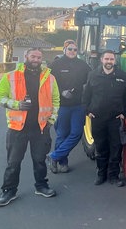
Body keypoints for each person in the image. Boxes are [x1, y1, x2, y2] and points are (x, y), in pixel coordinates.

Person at [0, 48, 60, 207]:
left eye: (39, 57)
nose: (36, 59)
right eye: (33, 56)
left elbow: (56, 100)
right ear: (26, 57)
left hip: (41, 127)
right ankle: (9, 191)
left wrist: (51, 119)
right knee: (13, 162)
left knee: (40, 160)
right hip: (18, 128)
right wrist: (16, 104)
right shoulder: (11, 76)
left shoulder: (50, 78)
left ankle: (41, 186)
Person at [82, 50, 126, 187]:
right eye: (107, 59)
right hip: (98, 118)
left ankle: (114, 176)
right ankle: (101, 174)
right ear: (101, 60)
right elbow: (86, 95)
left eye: (111, 59)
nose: (109, 61)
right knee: (100, 147)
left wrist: (125, 112)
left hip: (115, 119)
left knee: (116, 148)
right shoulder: (93, 75)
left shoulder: (123, 76)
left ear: (115, 61)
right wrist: (88, 111)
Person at [47, 39, 91, 173]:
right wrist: (61, 92)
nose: (72, 51)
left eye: (75, 49)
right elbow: (48, 83)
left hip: (78, 105)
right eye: (70, 49)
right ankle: (62, 162)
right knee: (62, 134)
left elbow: (91, 78)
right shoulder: (56, 65)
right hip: (62, 106)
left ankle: (53, 156)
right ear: (64, 50)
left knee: (76, 133)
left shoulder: (83, 65)